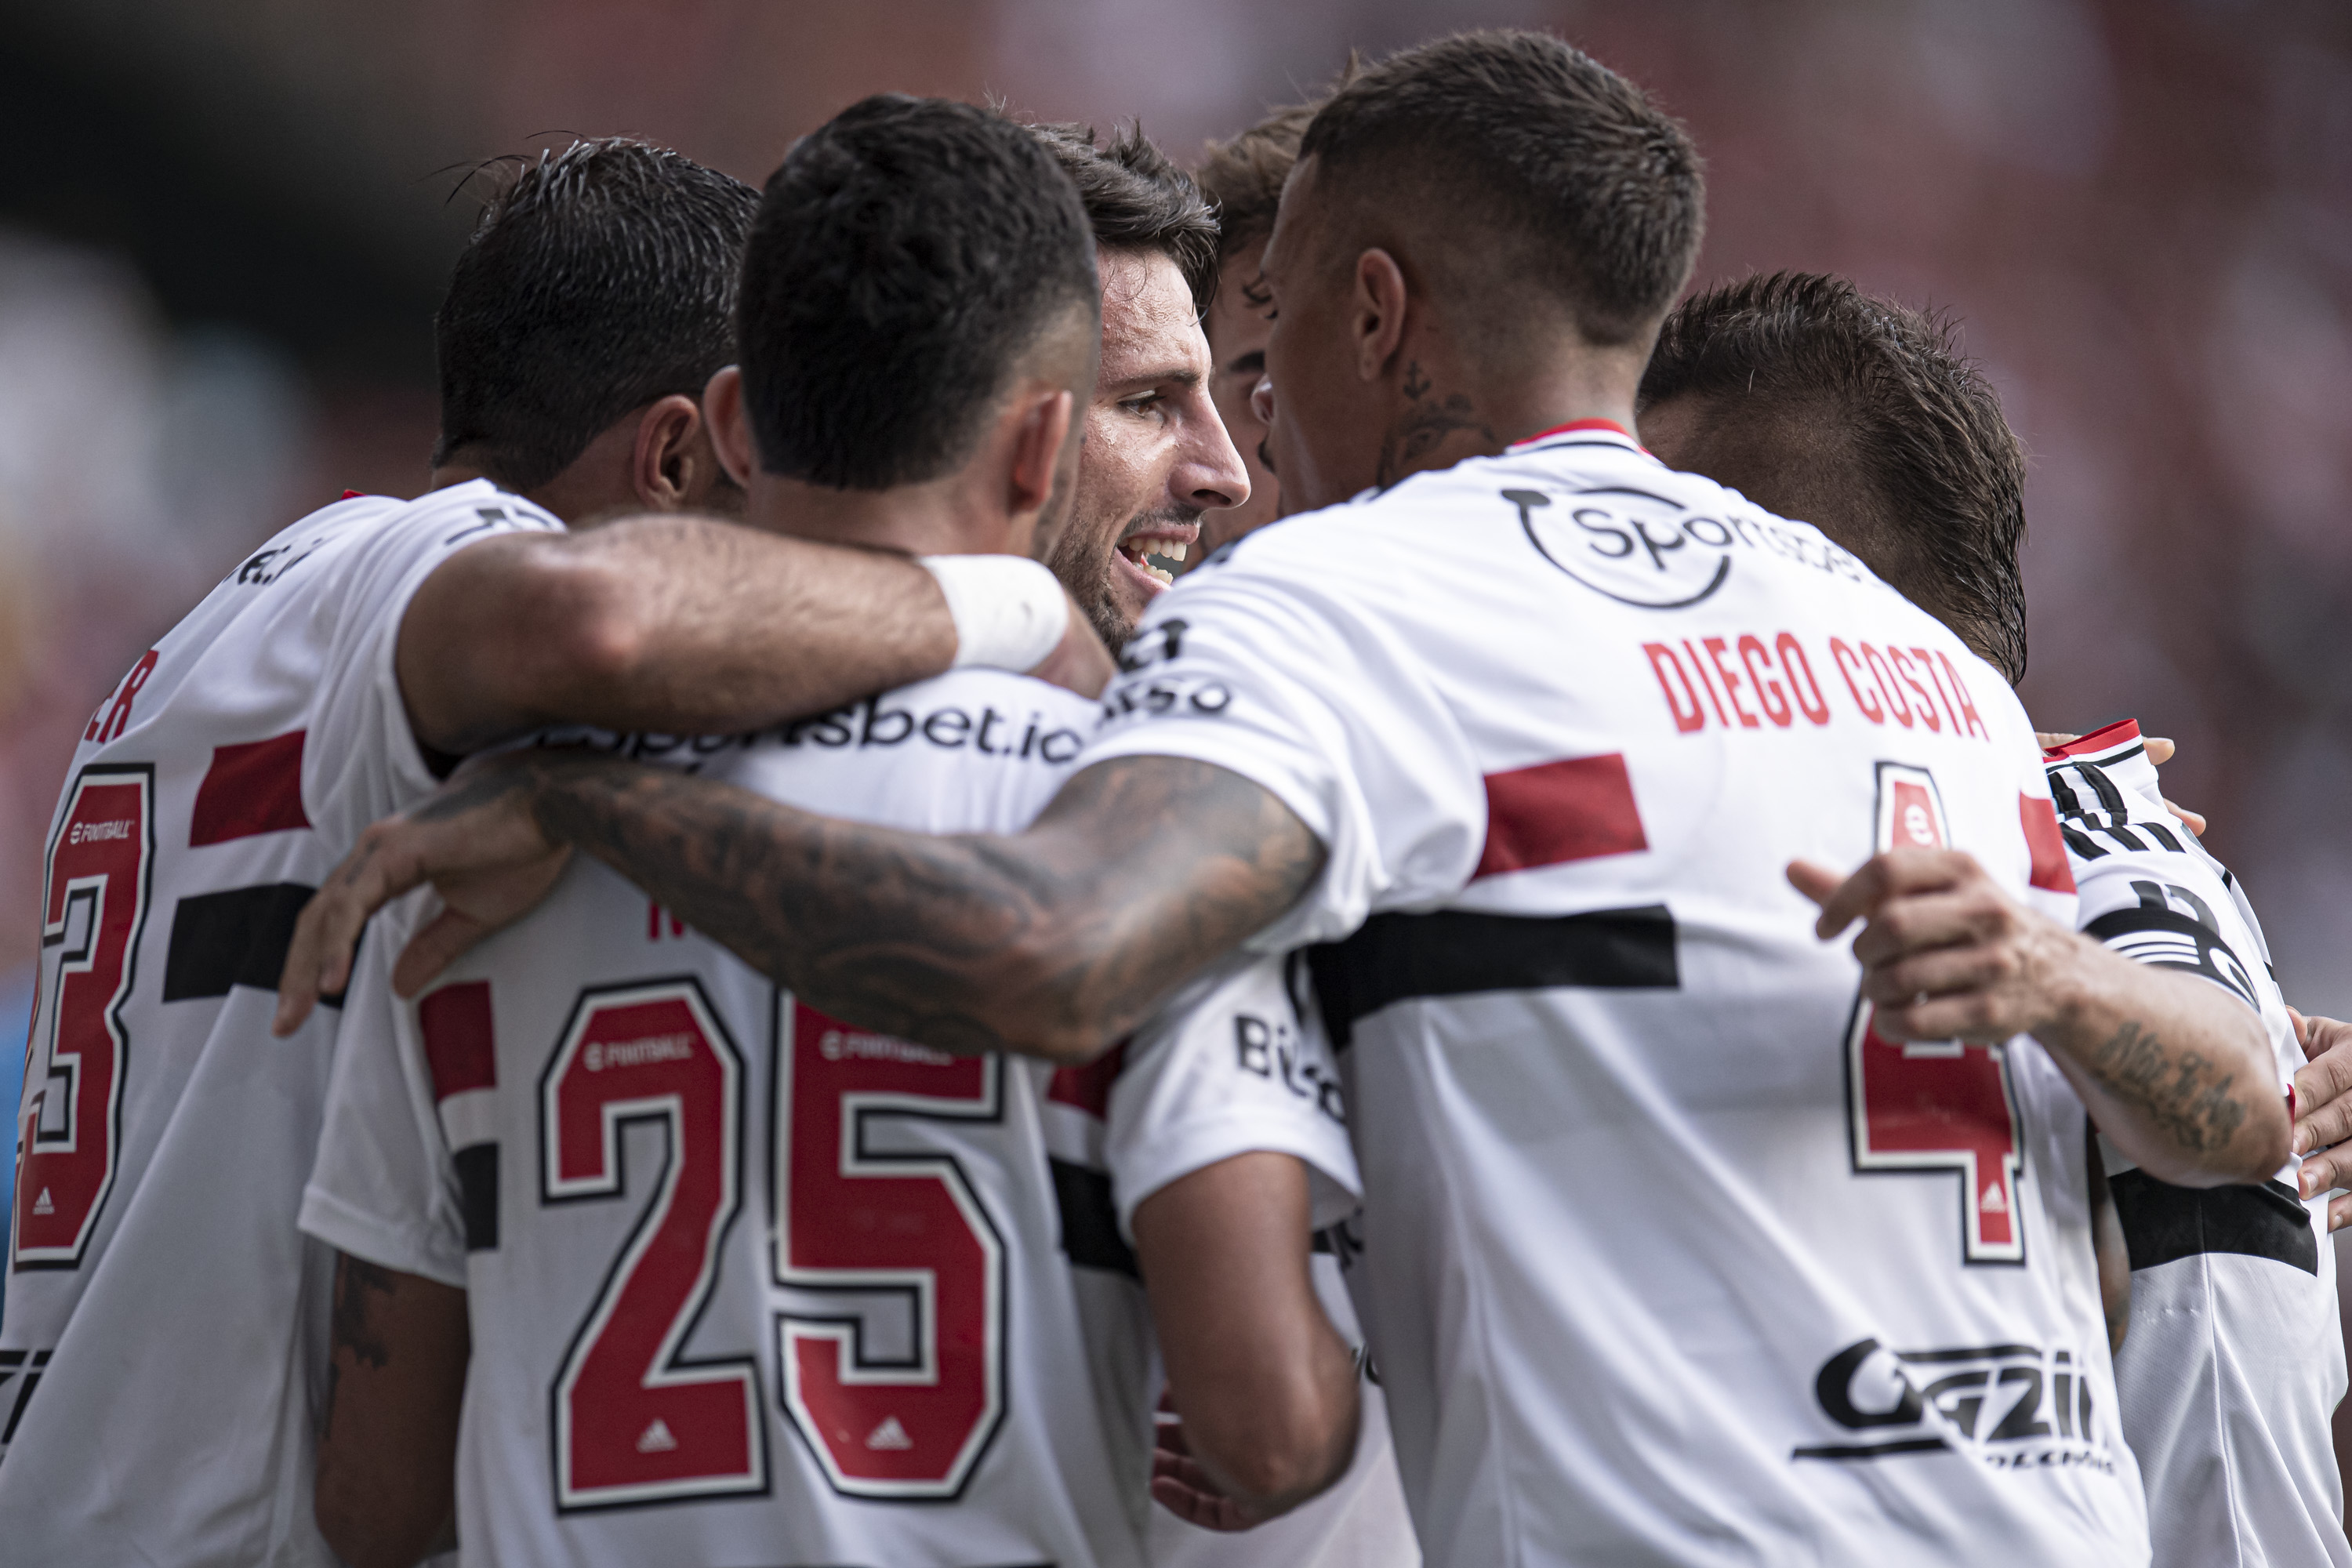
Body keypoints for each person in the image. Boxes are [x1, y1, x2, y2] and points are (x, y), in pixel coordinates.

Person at [279, 33, 2289, 1565]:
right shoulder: (1919, 661)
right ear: (1045, 445)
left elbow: (1054, 949)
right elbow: (2243, 1112)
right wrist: (2072, 986)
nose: (1247, 450)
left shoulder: (1339, 621)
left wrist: (605, 816)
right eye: (1176, 396)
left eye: (1268, 337)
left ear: (1375, 310)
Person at [296, 96, 1362, 1568]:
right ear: (1042, 448)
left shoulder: (471, 847)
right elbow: (1267, 1433)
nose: (1226, 468)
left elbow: (373, 1505)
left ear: (736, 426)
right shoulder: (1149, 832)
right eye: (1143, 404)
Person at [0, 136, 1094, 1568]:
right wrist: (1004, 604)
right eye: (760, 483)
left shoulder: (222, 628)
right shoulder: (434, 558)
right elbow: (601, 623)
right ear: (679, 452)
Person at [1635, 268, 2350, 1568]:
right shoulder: (2072, 844)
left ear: (1800, 581)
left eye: (1658, 552)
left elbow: (2223, 1422)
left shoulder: (2051, 888)